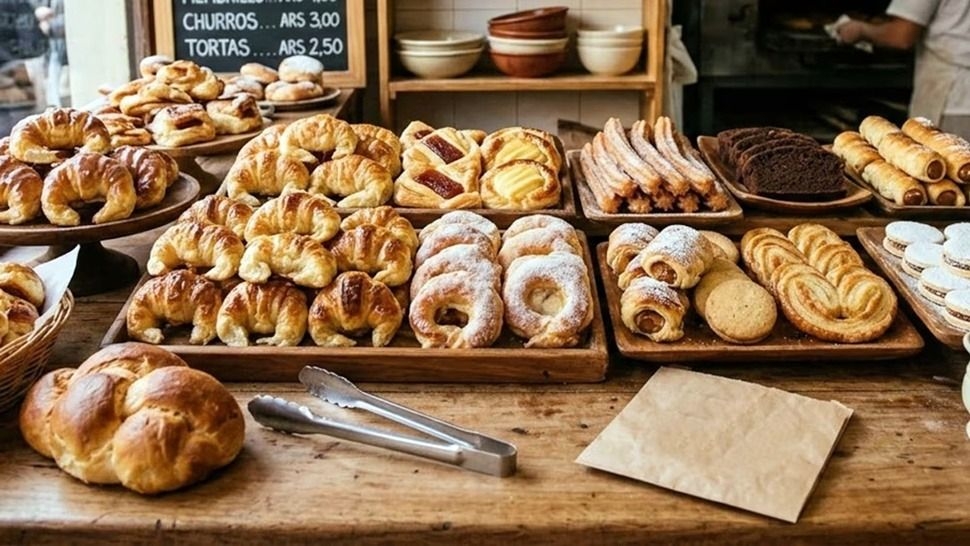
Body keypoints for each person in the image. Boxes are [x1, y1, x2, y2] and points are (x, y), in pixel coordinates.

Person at [836, 0, 970, 139]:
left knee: (943, 159)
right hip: (960, 95)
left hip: (952, 99)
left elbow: (901, 35)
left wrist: (859, 29)